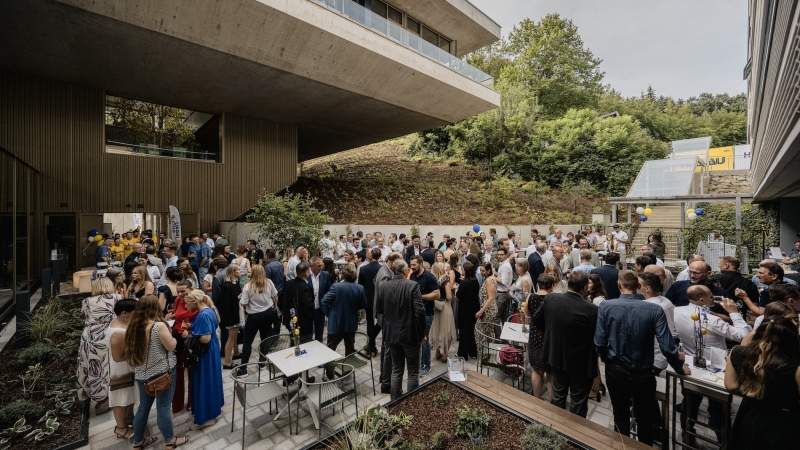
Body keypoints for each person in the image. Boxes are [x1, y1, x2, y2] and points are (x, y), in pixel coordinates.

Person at [595, 270, 689, 445]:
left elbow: (600, 341)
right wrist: (679, 367)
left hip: (616, 369)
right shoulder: (655, 309)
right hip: (643, 372)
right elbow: (668, 346)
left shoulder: (606, 306)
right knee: (644, 418)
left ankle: (622, 446)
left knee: (620, 415)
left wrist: (605, 358)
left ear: (618, 285)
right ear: (638, 286)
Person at [674, 285, 750, 440]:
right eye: (710, 296)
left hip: (691, 365)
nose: (713, 297)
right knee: (719, 409)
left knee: (689, 403)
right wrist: (734, 313)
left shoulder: (677, 311)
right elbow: (743, 335)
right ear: (702, 300)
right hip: (716, 369)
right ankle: (724, 441)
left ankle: (686, 433)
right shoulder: (713, 320)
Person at [724, 317, 800, 450]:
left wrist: (756, 389)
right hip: (781, 423)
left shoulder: (736, 352)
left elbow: (731, 385)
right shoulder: (794, 369)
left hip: (748, 415)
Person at [530, 271, 597, 417]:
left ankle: (556, 429)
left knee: (558, 397)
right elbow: (597, 337)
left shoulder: (552, 298)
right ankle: (574, 435)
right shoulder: (592, 309)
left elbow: (536, 319)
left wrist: (551, 334)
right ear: (585, 287)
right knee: (578, 402)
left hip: (557, 356)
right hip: (580, 363)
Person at [126, 295, 188, 450]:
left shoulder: (133, 327)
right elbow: (171, 346)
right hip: (162, 372)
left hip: (142, 374)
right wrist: (171, 331)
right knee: (163, 407)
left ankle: (138, 441)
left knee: (143, 408)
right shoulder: (158, 326)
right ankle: (170, 440)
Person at [376, 260, 426, 400]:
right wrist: (422, 334)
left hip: (391, 334)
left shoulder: (383, 286)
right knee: (413, 371)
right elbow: (420, 311)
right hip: (410, 334)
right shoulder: (412, 285)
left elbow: (379, 309)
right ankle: (411, 403)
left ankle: (395, 400)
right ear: (405, 271)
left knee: (397, 369)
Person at [77, 277, 122, 413]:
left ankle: (98, 398)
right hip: (109, 333)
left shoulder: (86, 302)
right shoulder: (117, 298)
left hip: (91, 336)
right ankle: (111, 395)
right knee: (109, 365)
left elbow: (84, 317)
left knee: (94, 366)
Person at [181, 289, 224, 430]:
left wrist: (189, 335)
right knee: (211, 379)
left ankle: (206, 416)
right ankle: (211, 409)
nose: (186, 307)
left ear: (195, 301)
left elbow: (205, 338)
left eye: (187, 304)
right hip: (211, 350)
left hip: (205, 352)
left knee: (205, 381)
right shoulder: (211, 309)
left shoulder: (203, 315)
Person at [321, 264, 367, 378]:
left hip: (336, 323)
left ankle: (330, 373)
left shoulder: (336, 287)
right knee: (350, 348)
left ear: (343, 274)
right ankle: (347, 371)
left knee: (331, 348)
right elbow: (363, 304)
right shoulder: (360, 288)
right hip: (351, 322)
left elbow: (324, 301)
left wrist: (329, 314)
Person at [237, 265, 279, 377]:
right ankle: (262, 362)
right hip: (268, 312)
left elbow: (244, 303)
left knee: (247, 341)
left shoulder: (248, 286)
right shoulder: (268, 282)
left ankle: (243, 369)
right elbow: (275, 296)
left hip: (254, 315)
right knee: (264, 338)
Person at [105, 298, 138, 439]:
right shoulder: (118, 333)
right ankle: (121, 428)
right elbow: (118, 357)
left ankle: (129, 417)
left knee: (129, 394)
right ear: (124, 313)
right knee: (120, 397)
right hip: (121, 369)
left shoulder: (120, 321)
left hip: (127, 366)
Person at [374, 252, 403, 394]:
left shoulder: (385, 270)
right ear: (394, 262)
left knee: (386, 348)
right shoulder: (385, 274)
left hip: (384, 317)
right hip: (387, 318)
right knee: (388, 351)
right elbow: (385, 299)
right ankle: (386, 383)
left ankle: (383, 377)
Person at [169, 280, 199, 414]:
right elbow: (177, 316)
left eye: (183, 291)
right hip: (177, 337)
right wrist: (171, 316)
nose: (180, 294)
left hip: (191, 339)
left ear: (191, 289)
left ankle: (192, 402)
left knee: (192, 371)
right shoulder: (177, 300)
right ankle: (177, 404)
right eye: (178, 291)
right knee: (177, 370)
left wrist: (191, 334)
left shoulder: (196, 302)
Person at [409, 255, 440, 377]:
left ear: (420, 264)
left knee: (424, 338)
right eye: (411, 265)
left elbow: (437, 295)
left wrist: (420, 296)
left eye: (414, 265)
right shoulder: (412, 275)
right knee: (417, 337)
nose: (412, 267)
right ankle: (417, 362)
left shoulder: (429, 277)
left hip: (427, 313)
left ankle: (426, 365)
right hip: (414, 312)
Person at [525, 273, 555, 400]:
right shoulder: (554, 299)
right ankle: (553, 404)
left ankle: (536, 399)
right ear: (552, 286)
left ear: (538, 284)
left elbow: (527, 314)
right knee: (551, 372)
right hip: (550, 338)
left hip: (535, 336)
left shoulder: (530, 297)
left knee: (536, 369)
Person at [429, 262, 457, 362]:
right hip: (444, 307)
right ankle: (445, 353)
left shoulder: (432, 280)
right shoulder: (445, 281)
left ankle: (437, 351)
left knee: (436, 330)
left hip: (435, 307)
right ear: (441, 270)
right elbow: (449, 297)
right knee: (448, 331)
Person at [218, 262, 244, 370]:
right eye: (238, 270)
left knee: (235, 335)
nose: (240, 271)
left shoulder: (235, 282)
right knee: (231, 337)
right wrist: (242, 295)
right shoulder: (227, 286)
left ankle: (236, 352)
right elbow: (227, 302)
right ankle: (227, 362)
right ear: (233, 272)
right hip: (232, 314)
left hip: (237, 310)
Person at [357, 248, 382, 356]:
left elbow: (360, 287)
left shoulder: (363, 269)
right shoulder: (383, 269)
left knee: (370, 324)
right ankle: (371, 347)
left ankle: (371, 347)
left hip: (368, 299)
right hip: (380, 299)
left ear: (370, 256)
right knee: (381, 321)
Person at [306, 256, 331, 343]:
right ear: (311, 266)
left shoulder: (325, 275)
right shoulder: (306, 275)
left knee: (319, 333)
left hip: (320, 309)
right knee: (308, 333)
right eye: (318, 266)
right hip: (308, 309)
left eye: (321, 266)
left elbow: (329, 290)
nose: (320, 268)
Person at [476, 262, 499, 342]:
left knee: (487, 333)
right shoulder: (491, 278)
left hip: (488, 309)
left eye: (483, 271)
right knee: (487, 331)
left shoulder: (489, 280)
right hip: (488, 308)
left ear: (488, 271)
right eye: (480, 270)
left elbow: (491, 298)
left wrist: (481, 311)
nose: (481, 273)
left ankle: (488, 352)